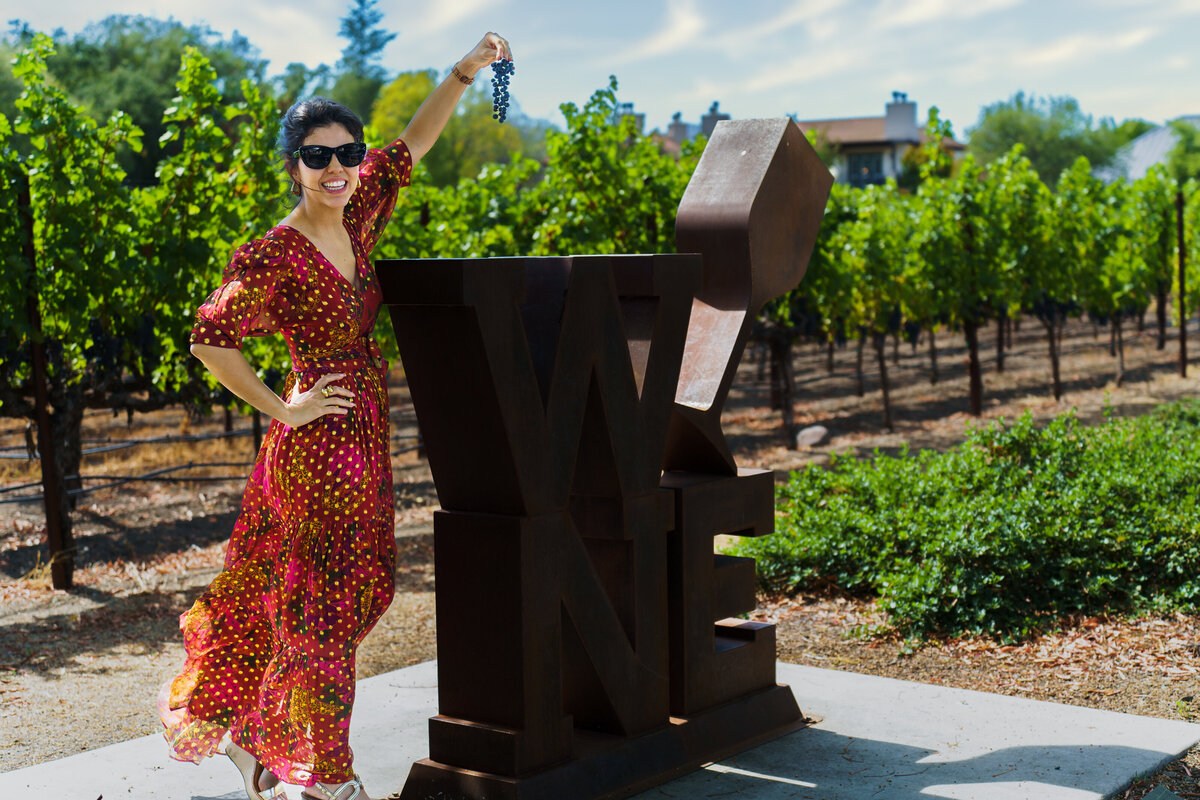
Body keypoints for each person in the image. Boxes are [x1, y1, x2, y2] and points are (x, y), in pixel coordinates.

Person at [158, 33, 513, 800]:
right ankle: (326, 779)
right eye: (318, 157)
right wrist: (284, 407)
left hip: (366, 440)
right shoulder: (276, 255)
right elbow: (209, 339)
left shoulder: (357, 218)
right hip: (316, 449)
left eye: (346, 153)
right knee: (322, 611)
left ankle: (257, 738)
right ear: (294, 165)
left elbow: (414, 142)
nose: (337, 168)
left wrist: (463, 72)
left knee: (367, 589)